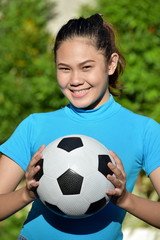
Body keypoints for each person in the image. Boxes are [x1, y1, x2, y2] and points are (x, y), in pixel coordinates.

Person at [0, 13, 160, 240]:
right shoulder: (34, 126)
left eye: (86, 67)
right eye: (64, 68)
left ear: (111, 64)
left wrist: (126, 199)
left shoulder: (144, 131)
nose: (75, 79)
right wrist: (26, 194)